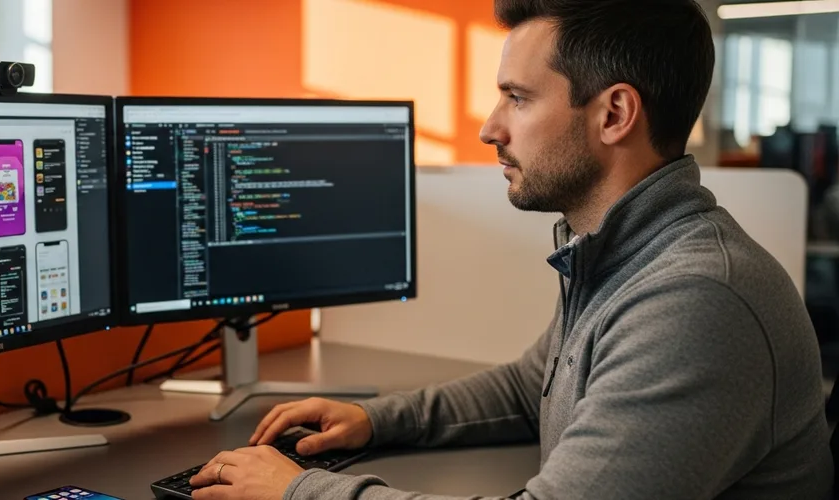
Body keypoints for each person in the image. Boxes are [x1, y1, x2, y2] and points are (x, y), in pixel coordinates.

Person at [188, 0, 836, 498]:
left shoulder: (695, 299)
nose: (488, 128)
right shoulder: (623, 253)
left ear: (614, 114)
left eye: (517, 98)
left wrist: (301, 491)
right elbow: (534, 387)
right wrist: (376, 419)